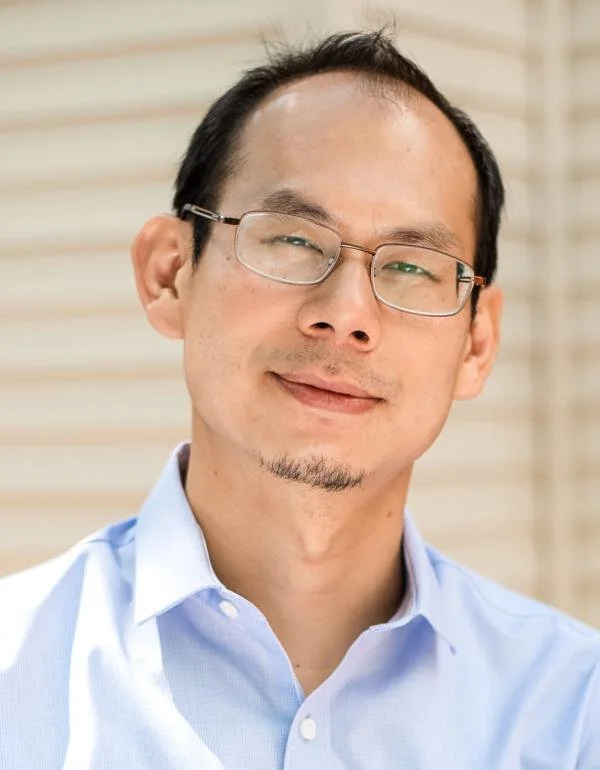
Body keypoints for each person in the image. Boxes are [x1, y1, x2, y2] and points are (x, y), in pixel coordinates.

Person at [1, 29, 598, 770]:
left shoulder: (574, 712)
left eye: (413, 266)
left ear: (476, 342)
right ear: (169, 274)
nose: (346, 315)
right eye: (292, 240)